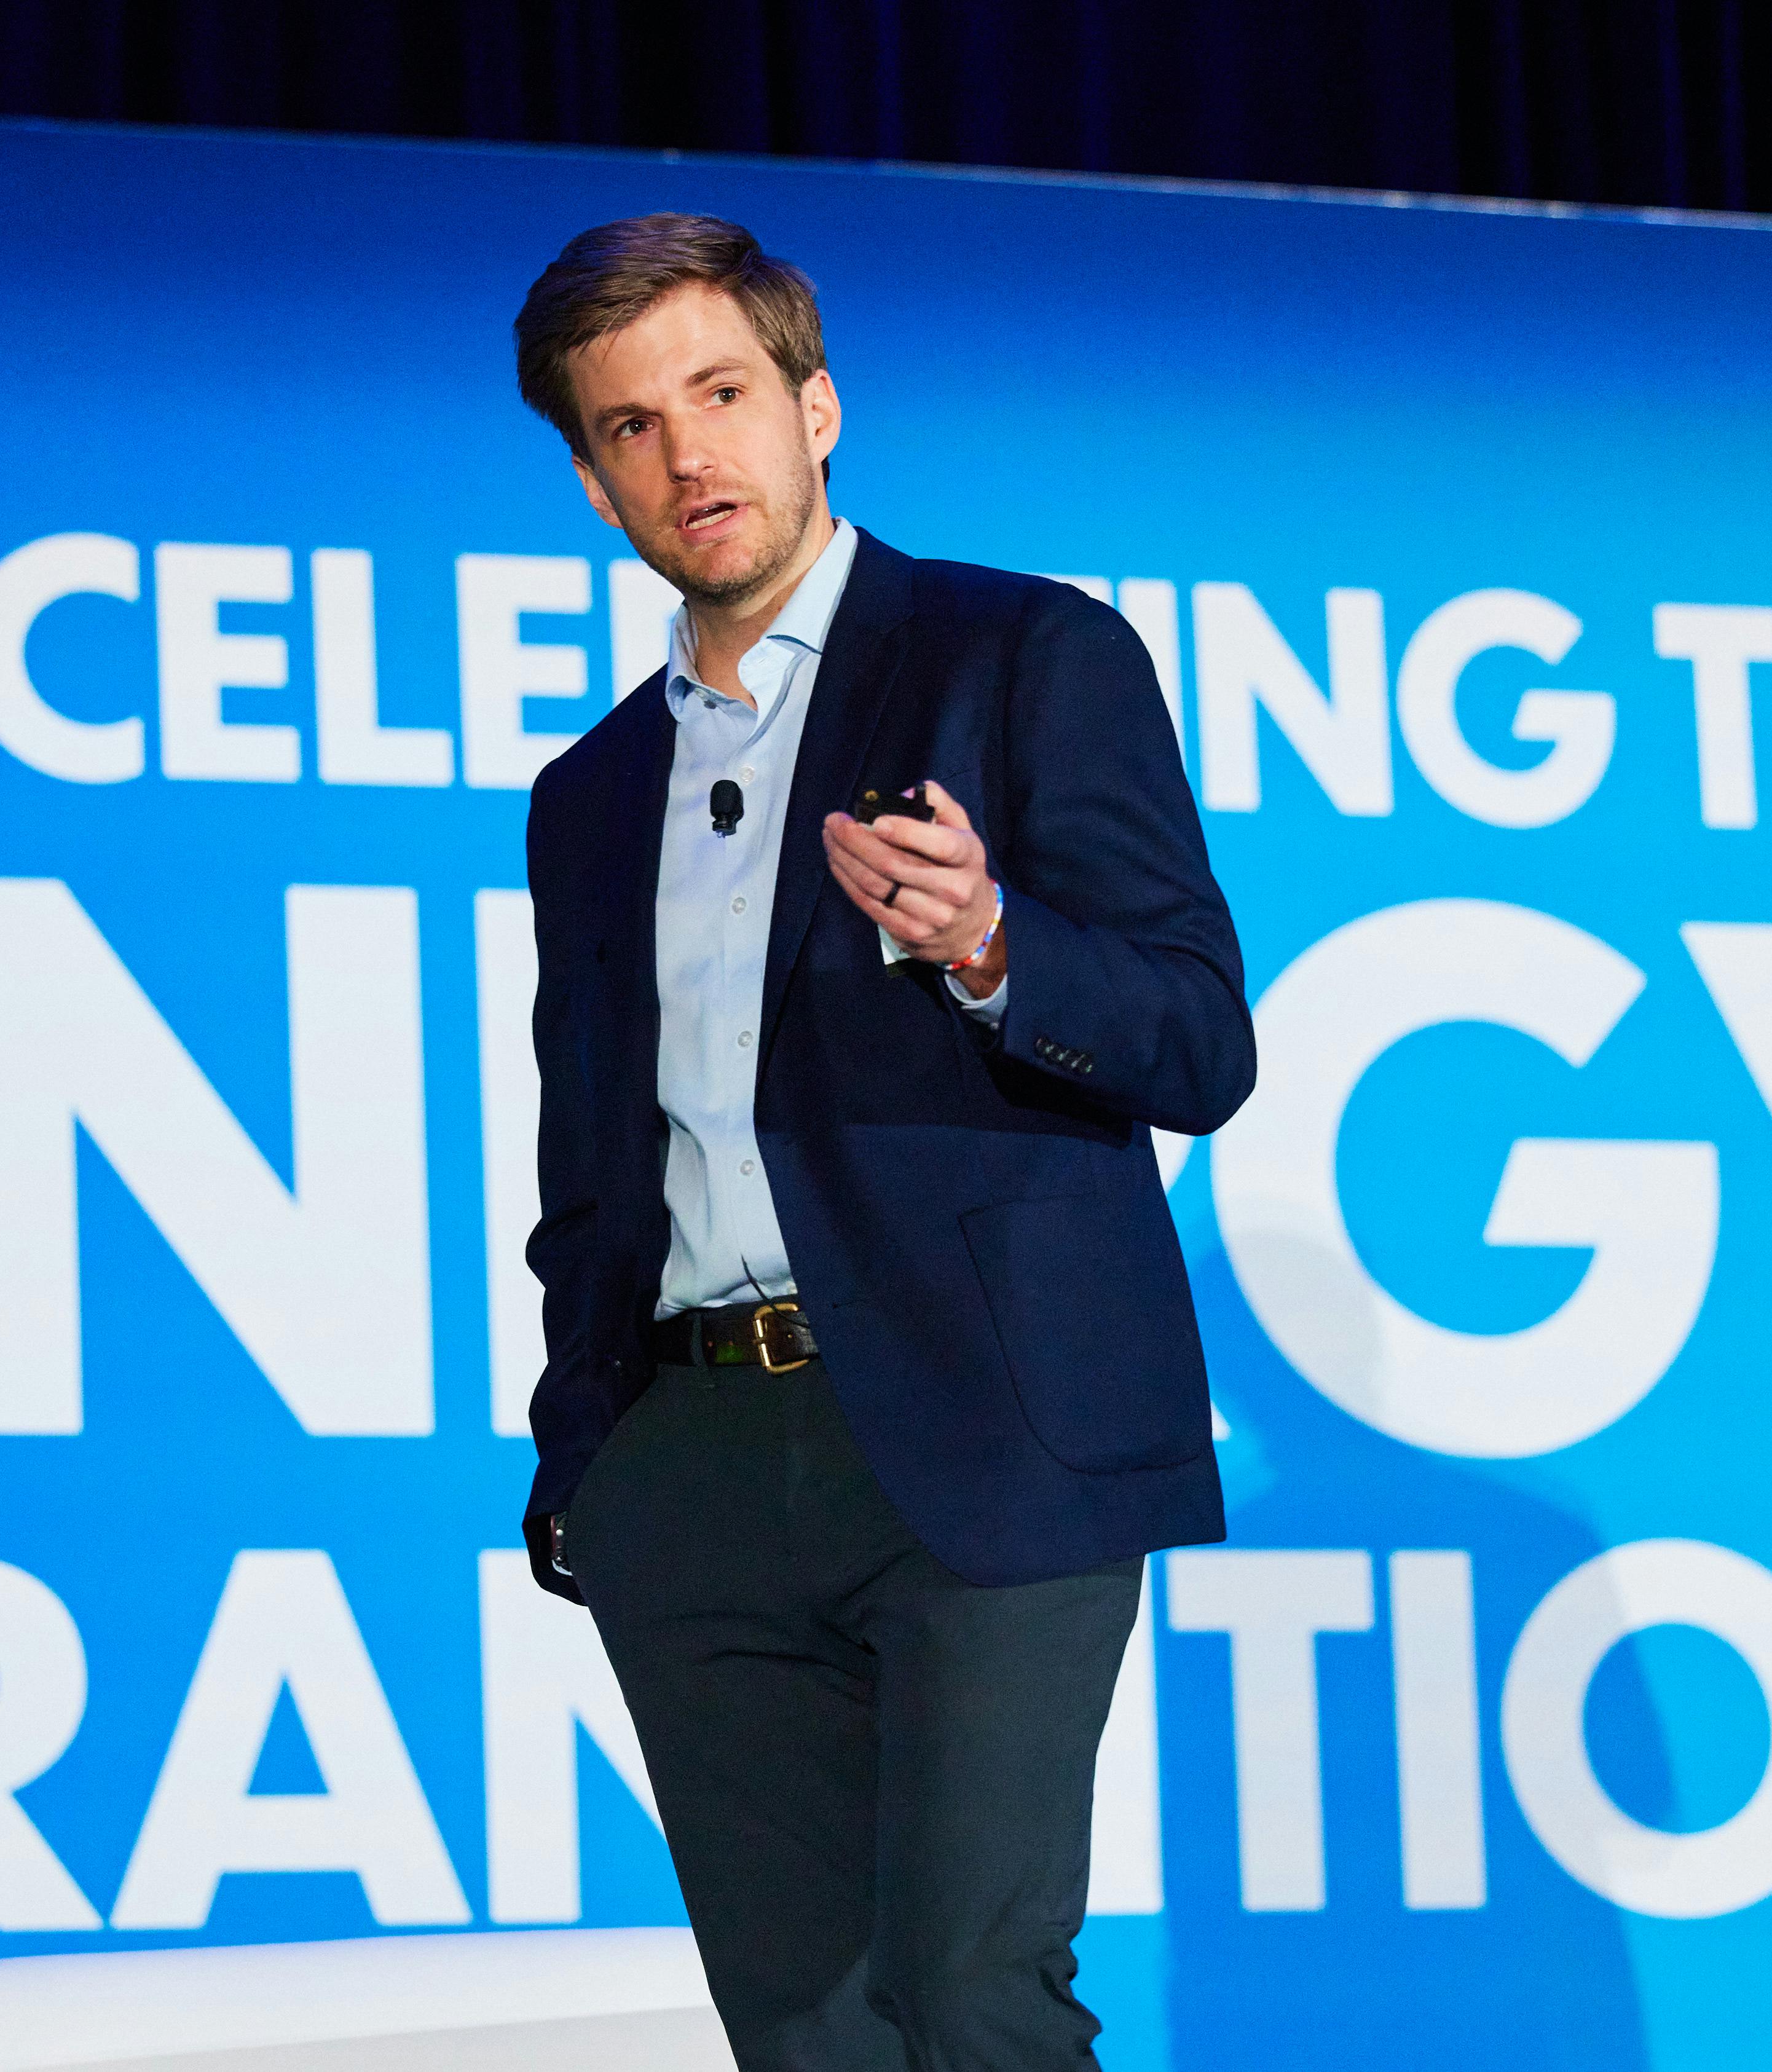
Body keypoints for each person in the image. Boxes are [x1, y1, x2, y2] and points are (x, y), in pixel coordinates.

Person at [509, 213, 1252, 2071]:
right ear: (591, 477)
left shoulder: (1023, 653)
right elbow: (589, 1157)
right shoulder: (590, 793)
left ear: (816, 406)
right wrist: (591, 1450)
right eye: (628, 426)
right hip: (693, 1458)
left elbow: (1197, 1035)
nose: (687, 456)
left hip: (983, 1420)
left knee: (975, 1997)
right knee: (809, 2034)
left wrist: (994, 945)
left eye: (722, 395)